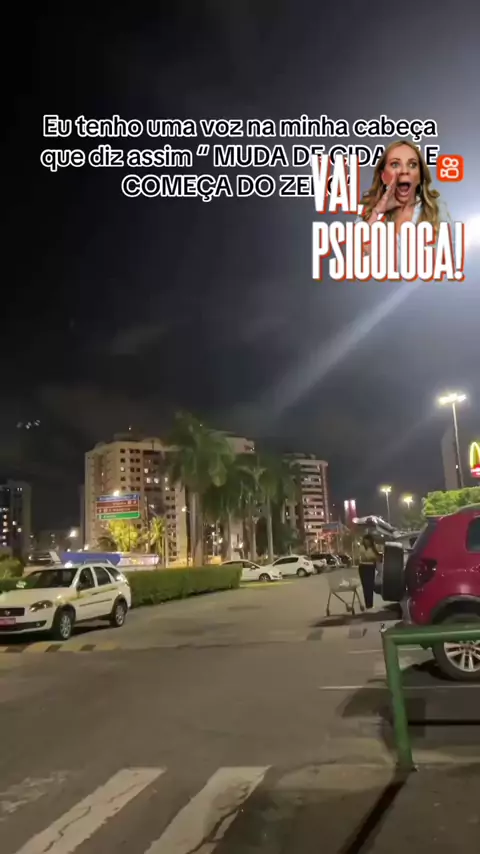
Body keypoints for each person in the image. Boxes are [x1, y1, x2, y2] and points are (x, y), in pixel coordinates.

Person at [357, 139, 453, 254]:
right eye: (395, 164)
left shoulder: (437, 211)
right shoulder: (368, 212)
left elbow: (452, 258)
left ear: (420, 176)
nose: (404, 171)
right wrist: (377, 212)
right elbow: (356, 259)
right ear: (383, 176)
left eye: (412, 165)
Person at [358, 534, 381, 610]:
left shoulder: (374, 548)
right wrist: (371, 558)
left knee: (370, 586)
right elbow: (363, 558)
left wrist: (373, 558)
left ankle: (370, 604)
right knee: (365, 586)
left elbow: (378, 558)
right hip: (363, 567)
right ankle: (367, 604)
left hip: (370, 567)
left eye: (368, 541)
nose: (367, 542)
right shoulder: (361, 547)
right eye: (365, 540)